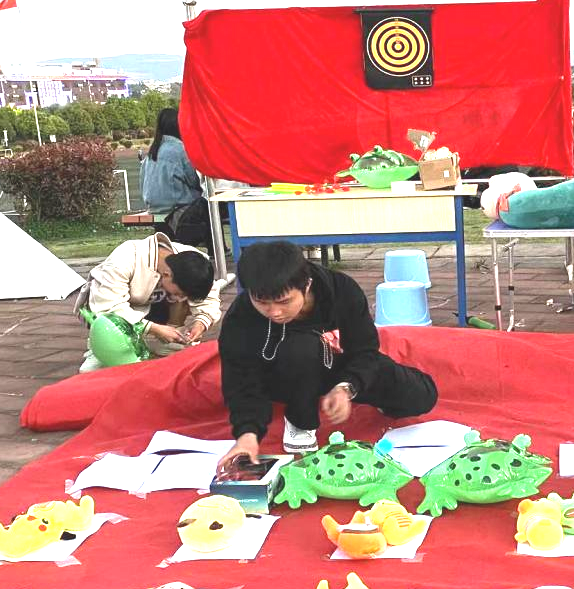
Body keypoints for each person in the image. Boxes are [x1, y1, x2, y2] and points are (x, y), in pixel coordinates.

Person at [216, 241, 438, 463]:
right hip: (282, 372)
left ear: (307, 285)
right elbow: (240, 377)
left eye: (284, 301)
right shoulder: (242, 315)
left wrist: (347, 387)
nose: (274, 312)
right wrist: (247, 434)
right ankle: (299, 421)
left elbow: (364, 350)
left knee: (420, 394)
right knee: (301, 348)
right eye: (262, 302)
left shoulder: (341, 290)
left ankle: (363, 393)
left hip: (335, 366)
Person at [74, 232, 224, 373]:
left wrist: (201, 323)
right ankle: (101, 346)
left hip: (155, 307)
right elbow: (109, 306)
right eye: (179, 294)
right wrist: (152, 328)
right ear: (167, 274)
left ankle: (171, 340)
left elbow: (209, 297)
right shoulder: (125, 259)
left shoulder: (195, 261)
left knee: (186, 296)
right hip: (113, 309)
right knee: (98, 360)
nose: (180, 300)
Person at [141, 108, 211, 250]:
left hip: (154, 207)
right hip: (176, 208)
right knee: (209, 203)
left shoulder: (152, 152)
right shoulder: (180, 149)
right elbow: (195, 181)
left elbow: (143, 182)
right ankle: (215, 248)